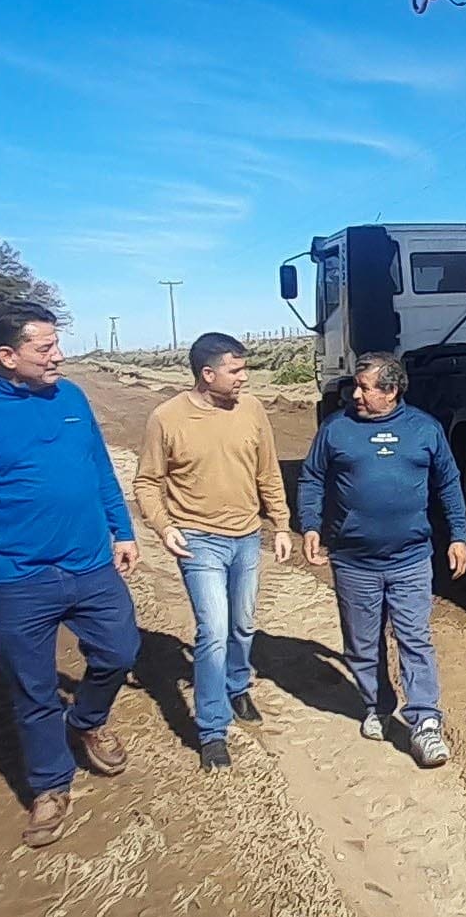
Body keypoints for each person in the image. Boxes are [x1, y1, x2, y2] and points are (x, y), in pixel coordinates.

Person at [0, 300, 141, 849]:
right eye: (45, 348)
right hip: (17, 581)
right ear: (7, 355)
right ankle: (50, 786)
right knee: (33, 689)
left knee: (120, 651)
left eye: (56, 344)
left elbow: (99, 469)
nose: (58, 356)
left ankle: (86, 721)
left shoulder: (71, 398)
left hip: (91, 565)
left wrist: (122, 530)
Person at [297, 352, 466, 769]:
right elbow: (312, 478)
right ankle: (377, 704)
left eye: (364, 387)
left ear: (391, 391)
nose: (354, 394)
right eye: (356, 386)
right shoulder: (336, 429)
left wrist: (458, 536)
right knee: (361, 642)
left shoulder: (424, 429)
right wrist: (310, 525)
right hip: (353, 561)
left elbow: (448, 482)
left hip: (410, 558)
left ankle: (425, 722)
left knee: (414, 638)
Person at [132, 331, 293, 772]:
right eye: (235, 370)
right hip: (198, 540)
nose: (244, 377)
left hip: (247, 537)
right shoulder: (167, 418)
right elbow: (147, 482)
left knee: (243, 625)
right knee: (214, 630)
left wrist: (281, 524)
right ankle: (212, 731)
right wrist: (164, 526)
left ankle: (237, 686)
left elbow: (268, 472)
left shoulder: (252, 409)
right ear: (207, 374)